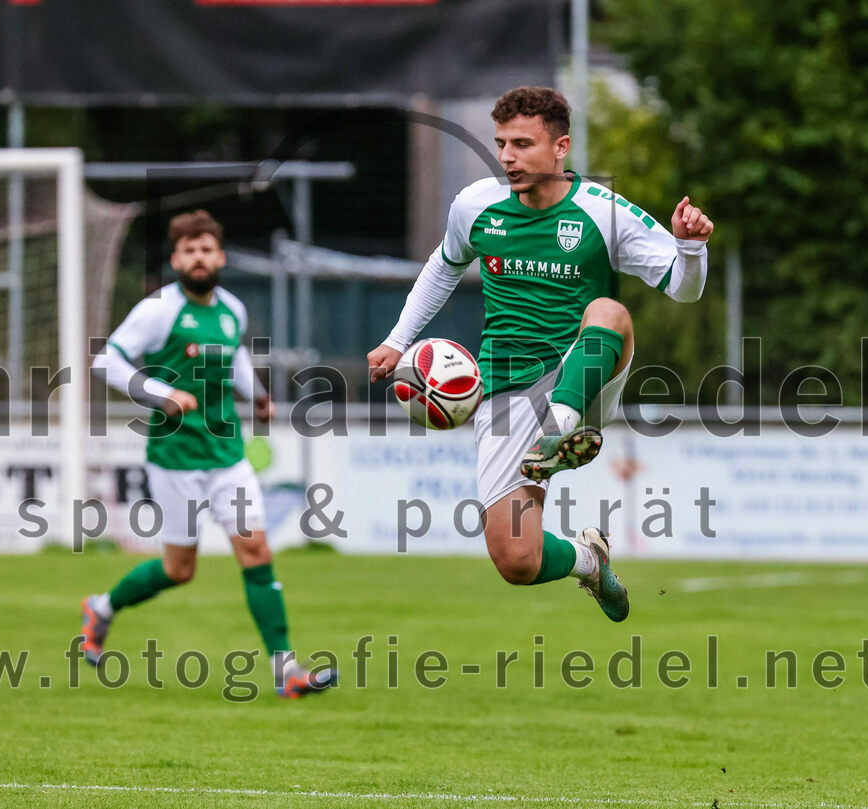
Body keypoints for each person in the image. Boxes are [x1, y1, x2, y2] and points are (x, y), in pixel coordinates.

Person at [367, 87, 713, 622]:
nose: (507, 156)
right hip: (506, 390)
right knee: (517, 561)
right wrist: (397, 341)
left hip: (584, 375)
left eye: (523, 144)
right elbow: (442, 268)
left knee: (608, 310)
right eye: (501, 143)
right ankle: (590, 562)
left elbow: (684, 288)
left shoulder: (603, 212)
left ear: (560, 147)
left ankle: (560, 430)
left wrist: (690, 247)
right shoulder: (475, 205)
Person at [81, 209, 338, 698]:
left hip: (227, 455)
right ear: (177, 260)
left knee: (256, 551)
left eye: (206, 249)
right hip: (176, 456)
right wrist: (161, 394)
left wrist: (257, 395)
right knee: (179, 570)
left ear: (220, 257)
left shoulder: (231, 309)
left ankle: (286, 671)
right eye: (189, 251)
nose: (198, 258)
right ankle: (102, 608)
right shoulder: (160, 309)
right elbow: (105, 360)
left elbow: (233, 354)